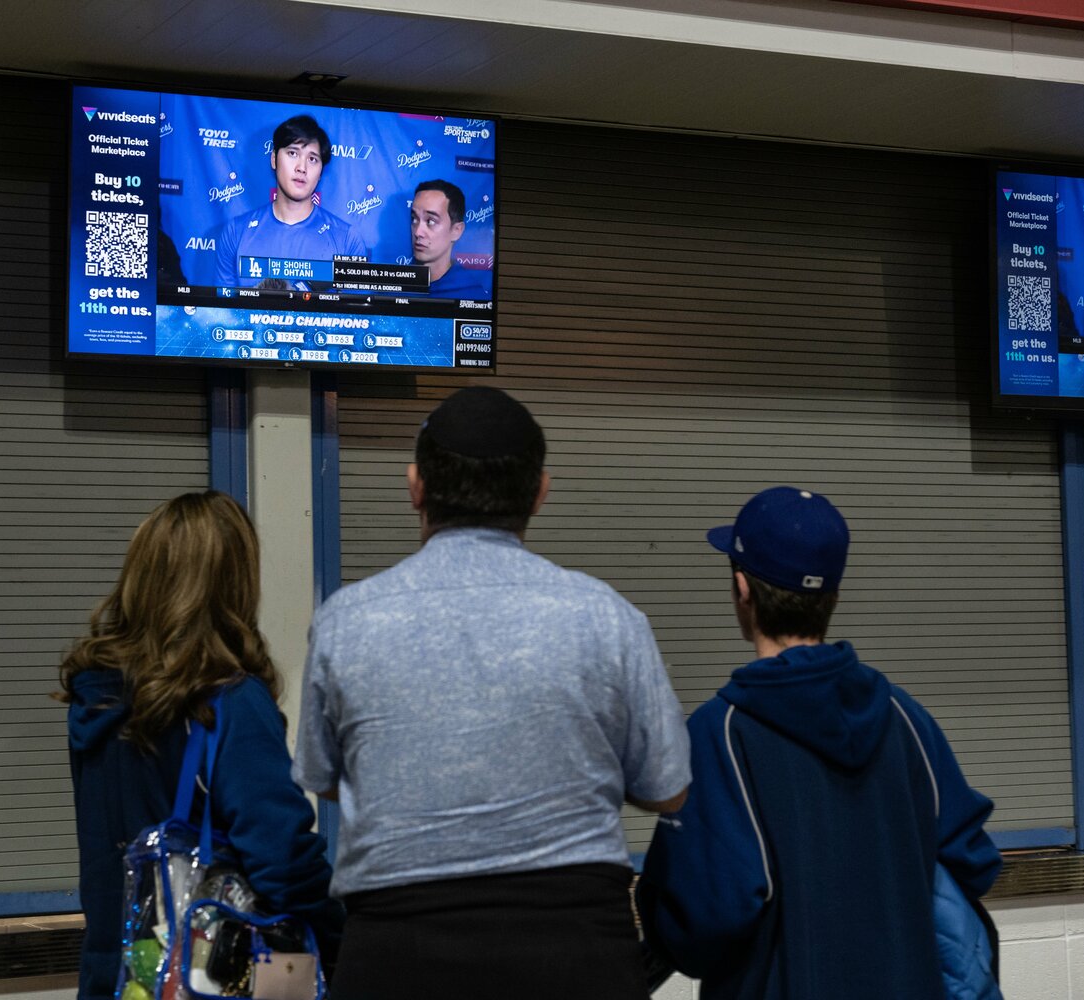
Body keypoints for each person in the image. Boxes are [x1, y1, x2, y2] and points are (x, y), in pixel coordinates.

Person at [292, 386, 691, 1000]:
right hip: (577, 954)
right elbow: (668, 791)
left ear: (415, 486)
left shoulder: (346, 620)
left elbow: (322, 778)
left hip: (397, 956)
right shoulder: (608, 618)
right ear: (539, 492)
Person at [635, 486, 1002, 1000]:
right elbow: (973, 860)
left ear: (742, 587)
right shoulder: (904, 717)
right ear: (833, 595)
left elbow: (705, 918)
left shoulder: (721, 732)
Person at [58, 490, 344, 1000]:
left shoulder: (95, 700)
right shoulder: (229, 702)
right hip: (206, 977)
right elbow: (281, 860)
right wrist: (343, 931)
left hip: (120, 975)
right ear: (234, 583)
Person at [214, 114, 368, 288]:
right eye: (293, 153)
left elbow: (355, 313)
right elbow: (225, 311)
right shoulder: (236, 232)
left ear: (321, 171)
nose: (301, 168)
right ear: (274, 159)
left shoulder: (347, 239)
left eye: (312, 159)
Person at [409, 179, 490, 300]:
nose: (418, 232)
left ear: (456, 230)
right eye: (414, 219)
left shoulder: (473, 295)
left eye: (430, 221)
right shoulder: (393, 287)